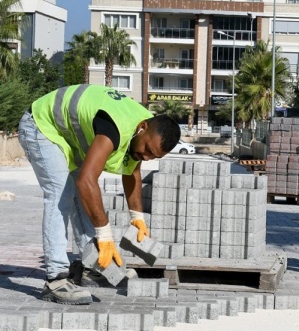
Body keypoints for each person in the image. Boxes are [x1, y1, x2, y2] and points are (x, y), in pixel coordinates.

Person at [17, 85, 181, 305]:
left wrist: (138, 218)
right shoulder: (116, 127)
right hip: (41, 124)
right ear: (142, 128)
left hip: (66, 135)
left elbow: (132, 171)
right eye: (147, 150)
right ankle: (55, 280)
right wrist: (105, 235)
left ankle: (91, 267)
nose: (147, 156)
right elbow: (87, 181)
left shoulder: (142, 132)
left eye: (153, 156)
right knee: (61, 193)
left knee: (82, 195)